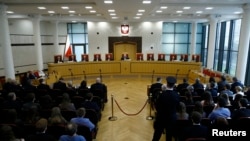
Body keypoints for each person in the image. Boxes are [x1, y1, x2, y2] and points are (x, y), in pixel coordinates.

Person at [152, 76, 180, 141]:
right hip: (171, 118)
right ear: (174, 85)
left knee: (157, 135)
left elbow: (157, 106)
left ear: (167, 84)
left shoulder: (161, 95)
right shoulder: (177, 95)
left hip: (161, 118)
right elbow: (178, 107)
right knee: (169, 137)